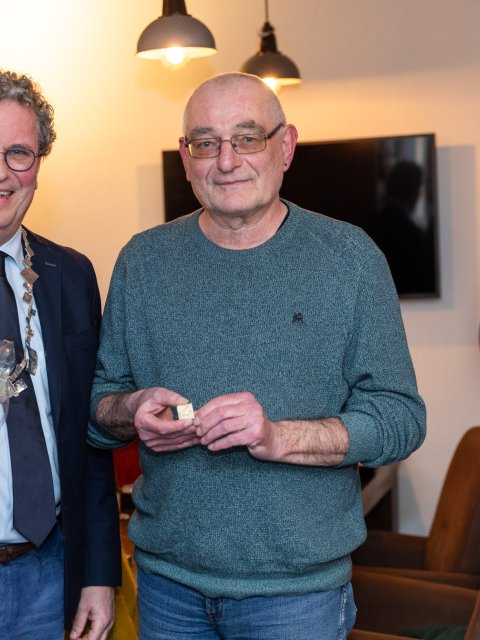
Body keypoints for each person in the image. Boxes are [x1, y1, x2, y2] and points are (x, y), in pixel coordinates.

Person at [89, 72, 426, 639]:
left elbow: (402, 419)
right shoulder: (142, 262)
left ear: (285, 147)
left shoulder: (350, 259)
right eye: (206, 143)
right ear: (185, 157)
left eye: (248, 138)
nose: (227, 161)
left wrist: (277, 437)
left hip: (298, 599)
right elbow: (99, 408)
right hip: (167, 589)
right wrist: (132, 409)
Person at [0, 69, 121, 640]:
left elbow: (89, 439)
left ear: (39, 164)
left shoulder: (70, 275)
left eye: (18, 153)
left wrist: (99, 573)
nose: (2, 172)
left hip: (48, 574)